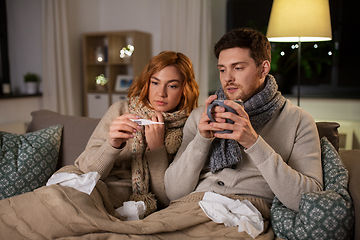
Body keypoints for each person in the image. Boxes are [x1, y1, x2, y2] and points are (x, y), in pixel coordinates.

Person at [0, 51, 200, 239]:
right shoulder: (121, 109)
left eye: (172, 85)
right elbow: (85, 168)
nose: (161, 93)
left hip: (111, 198)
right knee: (34, 207)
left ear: (184, 89)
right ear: (147, 82)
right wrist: (112, 145)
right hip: (84, 182)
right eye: (155, 82)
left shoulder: (189, 127)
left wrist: (157, 150)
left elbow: (166, 200)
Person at [163, 27, 323, 237]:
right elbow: (173, 192)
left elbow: (309, 199)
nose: (227, 78)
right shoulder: (201, 116)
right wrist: (202, 140)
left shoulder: (298, 120)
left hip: (245, 216)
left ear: (263, 69)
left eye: (237, 68)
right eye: (222, 69)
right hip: (190, 208)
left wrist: (254, 143)